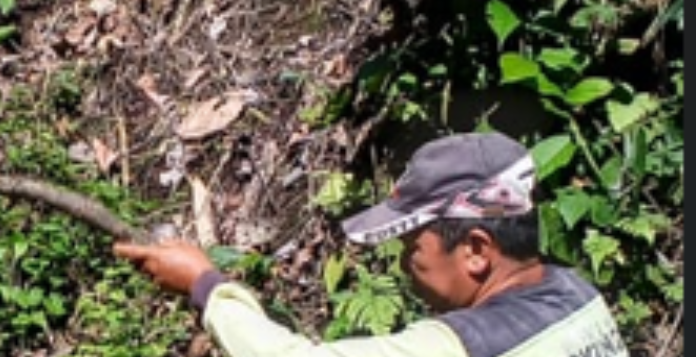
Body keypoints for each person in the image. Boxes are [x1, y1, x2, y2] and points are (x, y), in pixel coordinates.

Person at [114, 132, 628, 357]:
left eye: (412, 247)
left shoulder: (464, 346)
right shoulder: (579, 298)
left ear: (475, 248)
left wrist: (206, 285)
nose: (406, 266)